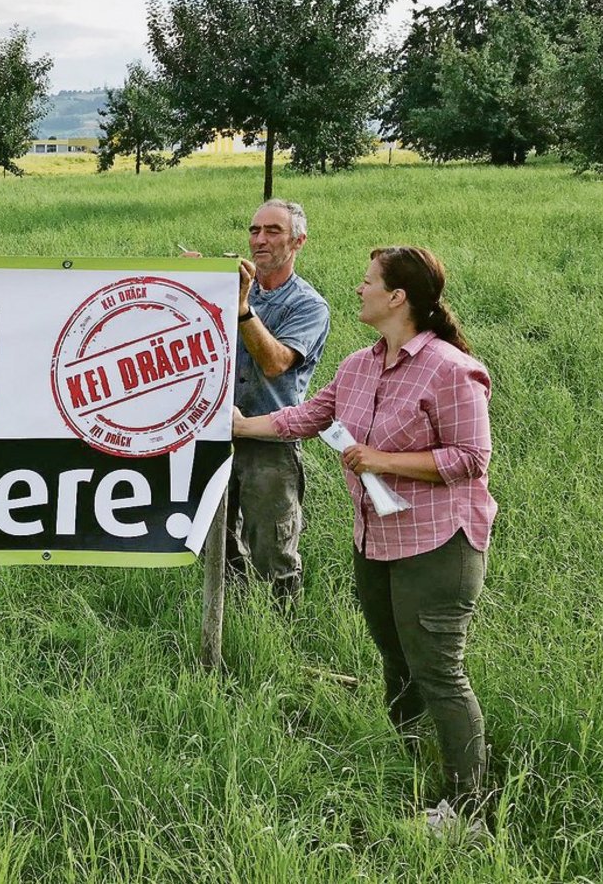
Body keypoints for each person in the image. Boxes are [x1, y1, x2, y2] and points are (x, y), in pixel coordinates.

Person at [233, 246, 496, 811]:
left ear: (397, 297)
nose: (359, 289)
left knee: (440, 673)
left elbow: (472, 457)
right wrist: (239, 425)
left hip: (438, 543)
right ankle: (414, 764)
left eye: (368, 282)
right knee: (397, 662)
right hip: (374, 540)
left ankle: (467, 807)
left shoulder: (451, 369)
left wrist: (382, 460)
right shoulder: (359, 365)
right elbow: (308, 416)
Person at [190, 200, 330, 608]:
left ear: (298, 241)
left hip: (269, 440)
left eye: (272, 231)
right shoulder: (225, 287)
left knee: (273, 546)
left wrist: (242, 308)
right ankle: (233, 614)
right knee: (217, 541)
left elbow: (275, 364)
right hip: (214, 432)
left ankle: (284, 628)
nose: (259, 240)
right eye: (254, 230)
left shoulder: (307, 305)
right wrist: (188, 282)